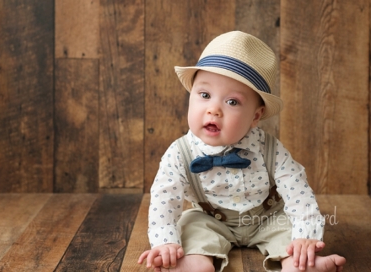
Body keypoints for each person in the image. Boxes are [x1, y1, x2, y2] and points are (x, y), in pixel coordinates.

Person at [138, 31, 346, 272]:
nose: (213, 110)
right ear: (191, 96)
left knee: (288, 232)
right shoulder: (179, 153)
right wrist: (165, 242)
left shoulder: (269, 148)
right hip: (210, 219)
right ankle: (192, 262)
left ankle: (300, 263)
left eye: (232, 102)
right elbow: (165, 199)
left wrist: (305, 235)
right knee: (192, 227)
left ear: (255, 116)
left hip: (268, 217)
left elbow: (296, 188)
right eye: (204, 95)